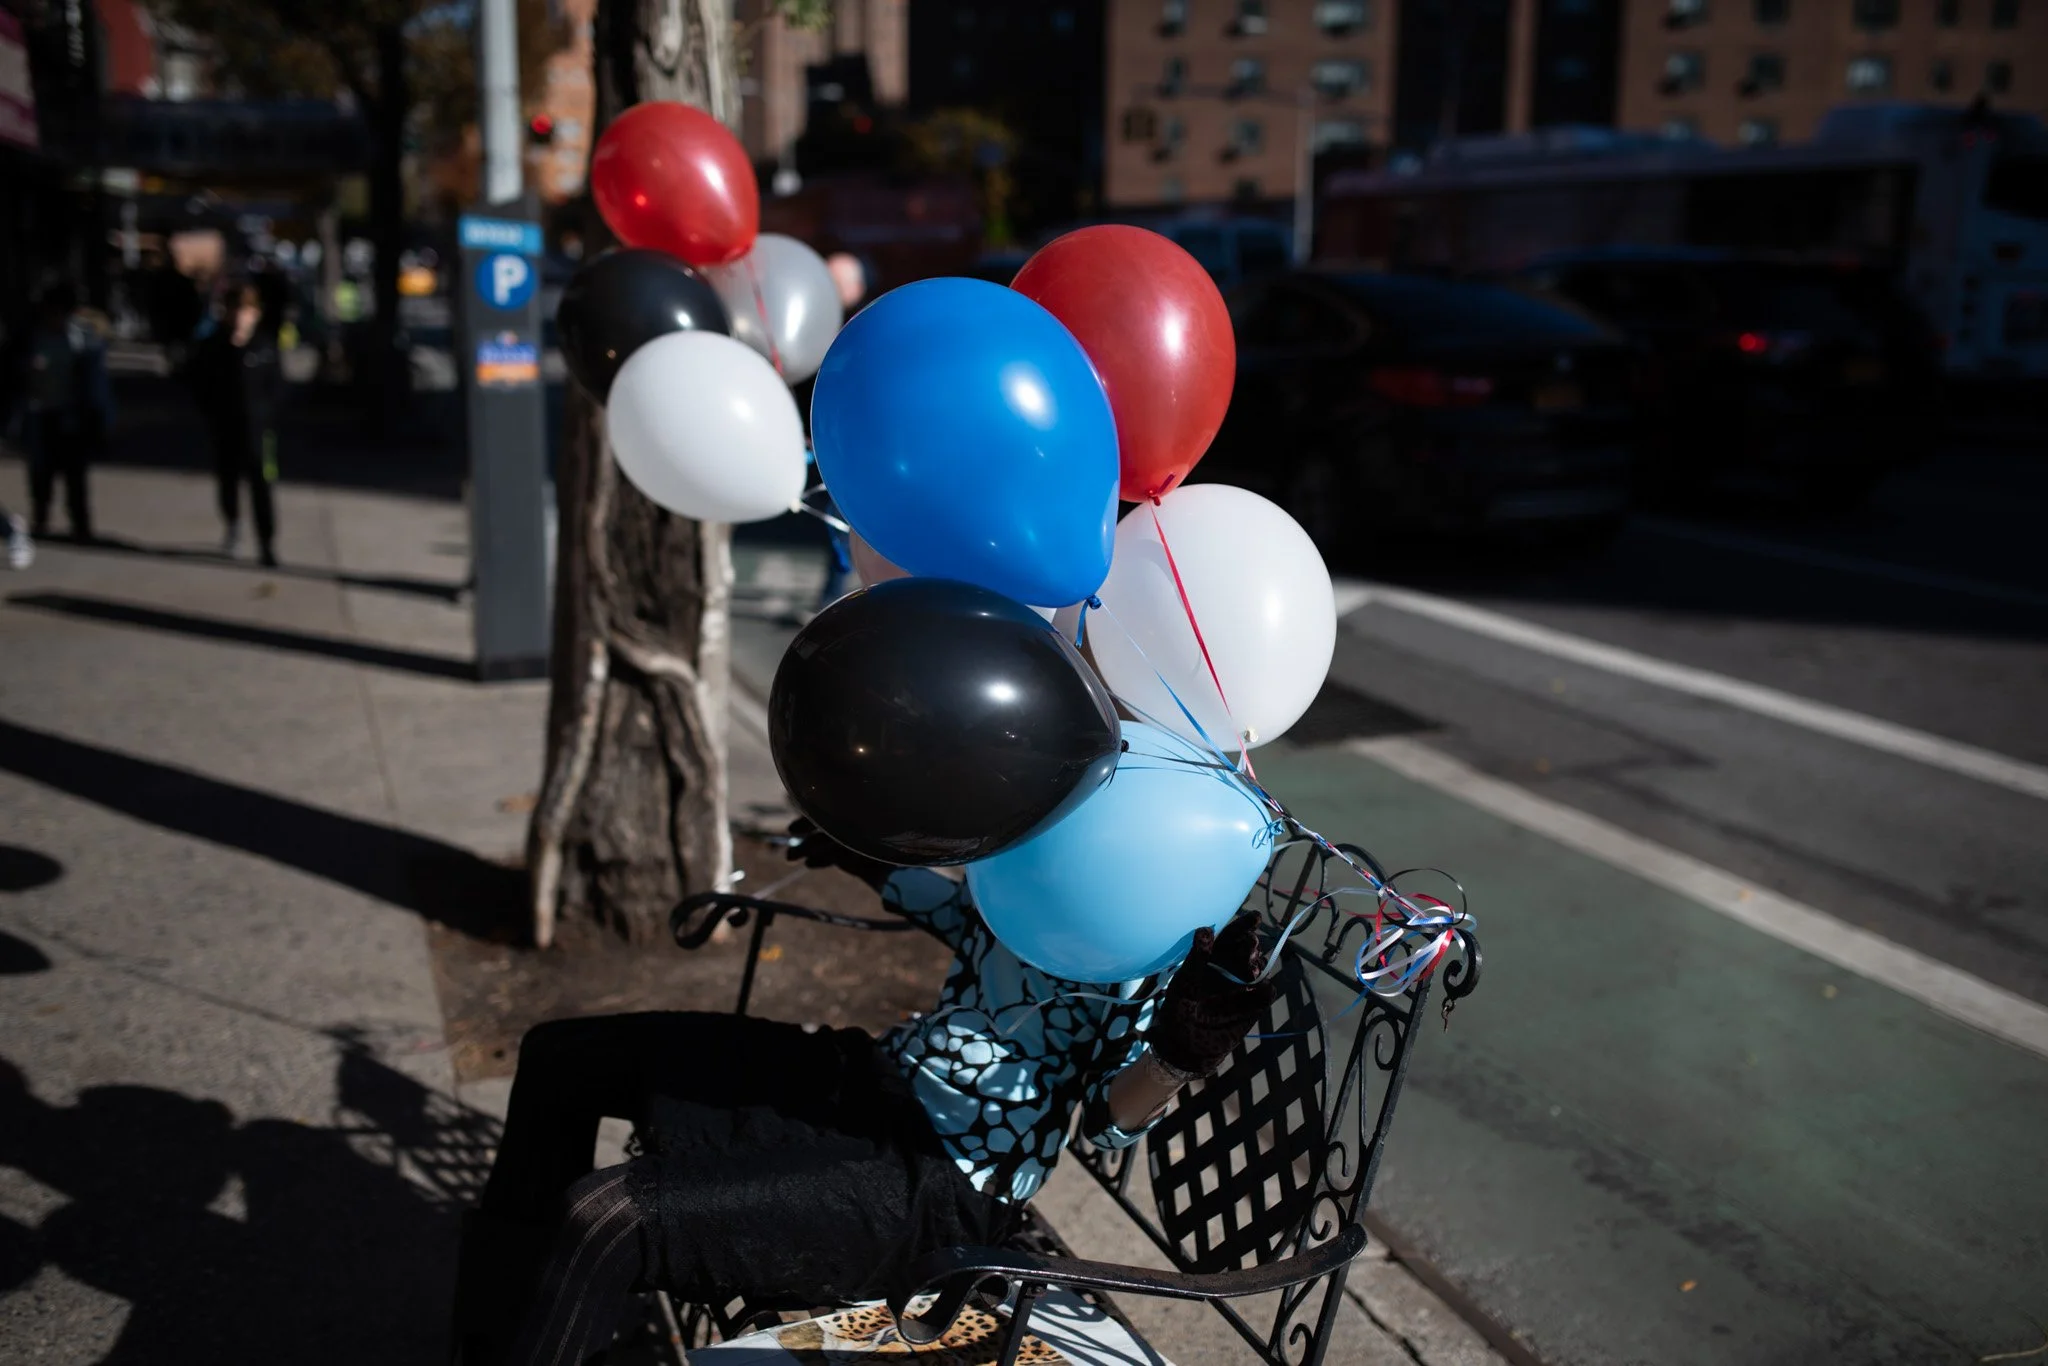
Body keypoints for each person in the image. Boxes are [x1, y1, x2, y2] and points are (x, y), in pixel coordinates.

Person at [448, 822, 1276, 1366]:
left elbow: (1103, 1123)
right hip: (865, 1079)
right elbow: (967, 919)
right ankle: (495, 1340)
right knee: (564, 1054)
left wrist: (1175, 1055)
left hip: (941, 1181)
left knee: (607, 1217)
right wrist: (863, 845)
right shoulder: (1056, 843)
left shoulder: (1153, 927)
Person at [195, 279, 287, 566]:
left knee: (262, 486)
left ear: (255, 313)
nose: (239, 316)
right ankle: (233, 525)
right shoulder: (213, 346)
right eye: (235, 309)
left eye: (246, 310)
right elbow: (201, 387)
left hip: (260, 432)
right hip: (225, 428)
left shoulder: (265, 346)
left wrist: (270, 419)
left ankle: (266, 542)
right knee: (228, 482)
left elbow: (277, 387)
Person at [20, 285, 106, 543]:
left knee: (75, 475)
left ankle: (80, 525)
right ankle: (41, 518)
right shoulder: (31, 338)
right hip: (40, 412)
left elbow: (94, 383)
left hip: (71, 416)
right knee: (41, 472)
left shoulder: (82, 339)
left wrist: (97, 417)